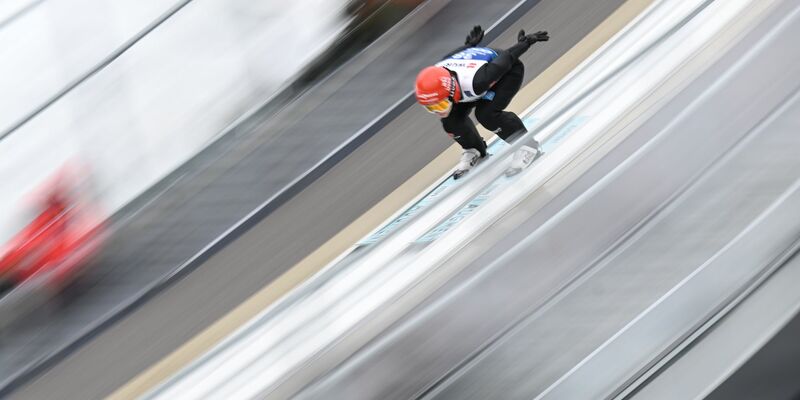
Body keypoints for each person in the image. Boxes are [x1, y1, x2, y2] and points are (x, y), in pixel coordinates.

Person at [414, 25, 549, 178]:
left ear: (451, 90)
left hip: (506, 72)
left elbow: (508, 57)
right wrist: (468, 46)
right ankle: (475, 150)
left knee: (486, 114)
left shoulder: (478, 81)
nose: (439, 110)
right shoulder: (439, 71)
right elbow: (451, 56)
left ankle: (529, 147)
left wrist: (525, 43)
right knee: (450, 120)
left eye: (441, 104)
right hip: (470, 80)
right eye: (432, 108)